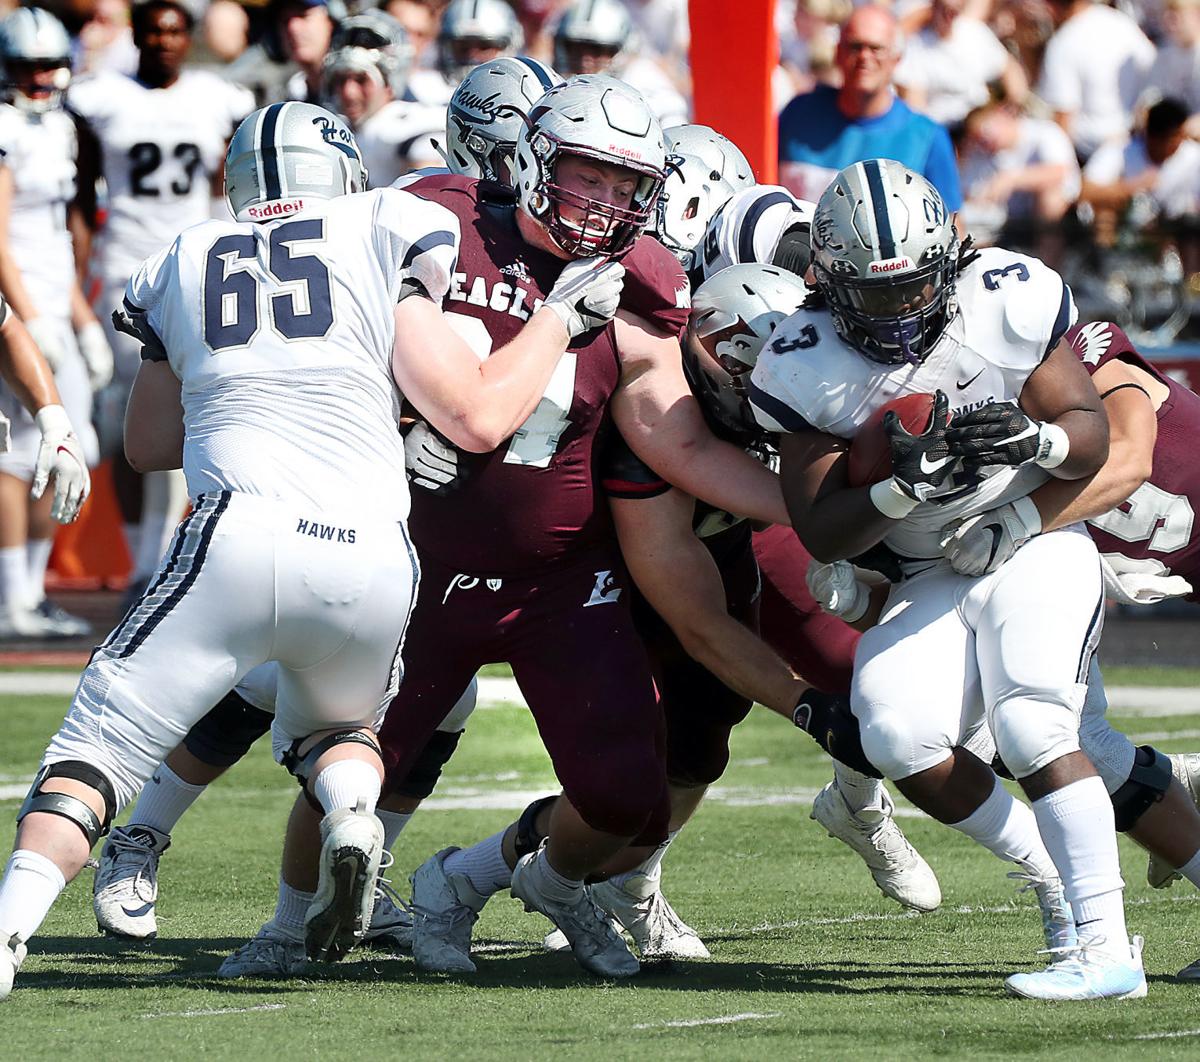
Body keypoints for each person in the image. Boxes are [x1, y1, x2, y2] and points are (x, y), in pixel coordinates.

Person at [0, 99, 630, 1001]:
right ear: (341, 170)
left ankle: (11, 928)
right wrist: (554, 323)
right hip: (371, 549)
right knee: (340, 731)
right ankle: (354, 815)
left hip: (238, 531)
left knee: (94, 750)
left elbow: (147, 444)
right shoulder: (388, 222)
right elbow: (465, 404)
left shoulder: (182, 254)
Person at [223, 75, 789, 982]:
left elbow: (675, 439)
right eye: (588, 175)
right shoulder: (436, 223)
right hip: (421, 564)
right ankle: (287, 929)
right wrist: (396, 425)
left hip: (558, 582)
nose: (604, 202)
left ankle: (498, 884)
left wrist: (803, 504)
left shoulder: (640, 282)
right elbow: (340, 349)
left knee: (628, 794)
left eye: (625, 186)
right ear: (531, 159)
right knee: (354, 767)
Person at [88, 51, 564, 949]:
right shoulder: (408, 214)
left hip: (448, 498)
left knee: (437, 701)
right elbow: (420, 377)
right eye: (532, 155)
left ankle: (357, 875)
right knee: (264, 680)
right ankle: (142, 834)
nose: (546, 177)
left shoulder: (559, 237)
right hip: (358, 484)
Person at [750, 158, 1143, 1001]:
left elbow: (1088, 430)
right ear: (830, 283)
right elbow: (819, 525)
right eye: (875, 293)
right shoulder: (801, 356)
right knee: (895, 731)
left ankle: (1107, 949)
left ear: (948, 260)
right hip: (927, 566)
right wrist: (898, 490)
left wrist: (1036, 444)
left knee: (1034, 721)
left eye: (913, 286)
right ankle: (1051, 877)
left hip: (1029, 538)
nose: (898, 311)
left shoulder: (1004, 296)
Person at [69, 0, 254, 609]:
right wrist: (81, 271)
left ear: (187, 36)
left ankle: (158, 561)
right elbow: (82, 193)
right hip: (124, 268)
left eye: (175, 31)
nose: (164, 42)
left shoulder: (216, 97)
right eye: (154, 31)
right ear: (139, 36)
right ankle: (140, 559)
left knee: (187, 410)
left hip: (192, 266)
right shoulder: (103, 97)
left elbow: (228, 184)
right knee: (131, 417)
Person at [0, 7, 108, 638]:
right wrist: (29, 317)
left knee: (67, 446)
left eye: (48, 65)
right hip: (14, 314)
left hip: (51, 306)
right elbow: (0, 240)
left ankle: (31, 592)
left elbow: (54, 243)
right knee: (16, 454)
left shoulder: (63, 128)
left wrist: (81, 318)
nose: (39, 78)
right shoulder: (5, 128)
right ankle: (12, 595)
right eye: (26, 66)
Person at [777, 6, 961, 210]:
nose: (864, 56)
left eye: (876, 48)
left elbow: (951, 222)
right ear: (838, 53)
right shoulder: (798, 114)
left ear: (896, 58)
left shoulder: (927, 138)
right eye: (855, 46)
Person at [321, 10, 444, 187]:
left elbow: (431, 185)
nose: (349, 92)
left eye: (361, 80)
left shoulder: (406, 126)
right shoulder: (336, 124)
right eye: (340, 80)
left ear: (389, 82)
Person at [1038, 0, 1155, 162]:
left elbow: (1063, 120)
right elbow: (1153, 73)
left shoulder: (1062, 44)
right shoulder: (1120, 21)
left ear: (1050, 7)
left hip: (1093, 155)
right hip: (1139, 147)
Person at [552, 0, 688, 126]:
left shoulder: (645, 84)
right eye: (574, 48)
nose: (585, 60)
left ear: (620, 49)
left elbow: (673, 128)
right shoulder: (550, 81)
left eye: (597, 50)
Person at [894, 0, 1027, 126]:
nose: (950, 13)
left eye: (955, 9)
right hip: (946, 128)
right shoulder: (917, 48)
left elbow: (1009, 68)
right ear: (934, 5)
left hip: (982, 117)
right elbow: (916, 106)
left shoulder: (973, 31)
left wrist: (1014, 102)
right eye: (945, 8)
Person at [407, 0, 523, 107]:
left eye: (484, 47)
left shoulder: (523, 97)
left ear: (509, 46)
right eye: (463, 47)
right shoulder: (421, 92)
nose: (472, 56)